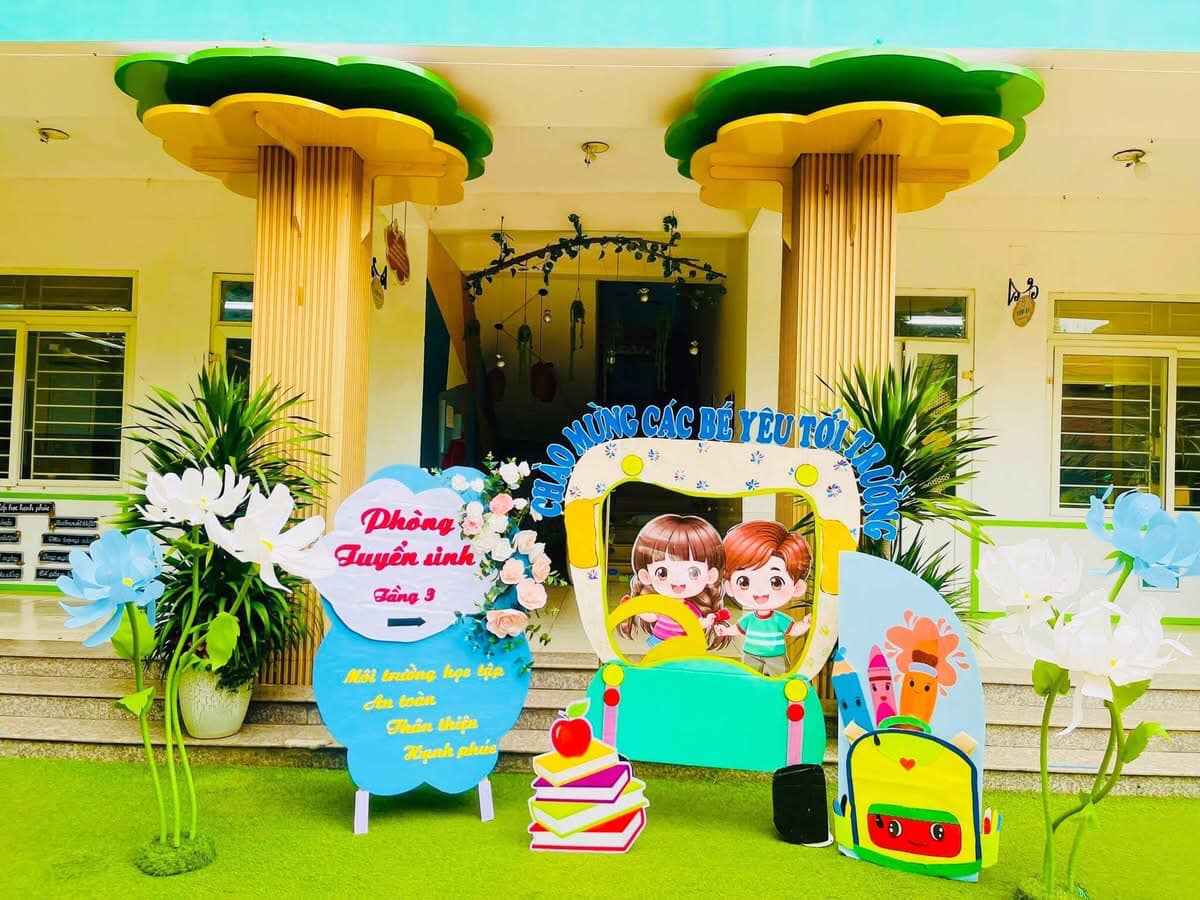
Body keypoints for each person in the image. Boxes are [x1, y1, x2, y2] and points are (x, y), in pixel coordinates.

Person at [616, 514, 730, 651]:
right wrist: (636, 610)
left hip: (681, 644)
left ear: (710, 576)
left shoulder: (690, 608)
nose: (677, 581)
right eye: (662, 573)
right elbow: (652, 616)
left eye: (693, 573)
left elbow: (696, 624)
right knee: (658, 660)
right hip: (659, 641)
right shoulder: (661, 604)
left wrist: (708, 620)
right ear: (646, 576)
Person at [715, 520, 812, 676]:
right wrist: (726, 631)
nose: (759, 591)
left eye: (776, 582)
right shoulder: (749, 619)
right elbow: (738, 629)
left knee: (780, 680)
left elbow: (793, 630)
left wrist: (805, 624)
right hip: (750, 655)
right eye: (744, 582)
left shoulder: (779, 619)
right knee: (751, 679)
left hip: (776, 656)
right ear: (730, 587)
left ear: (797, 587)